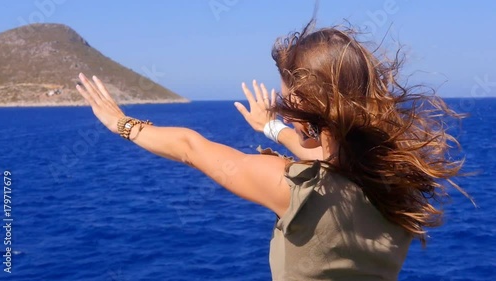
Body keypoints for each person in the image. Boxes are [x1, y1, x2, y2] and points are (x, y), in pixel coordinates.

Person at [75, 21, 469, 280]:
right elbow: (322, 153)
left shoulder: (302, 193)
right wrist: (272, 127)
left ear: (305, 102)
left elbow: (190, 147)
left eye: (287, 97)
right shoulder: (394, 180)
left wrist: (121, 124)